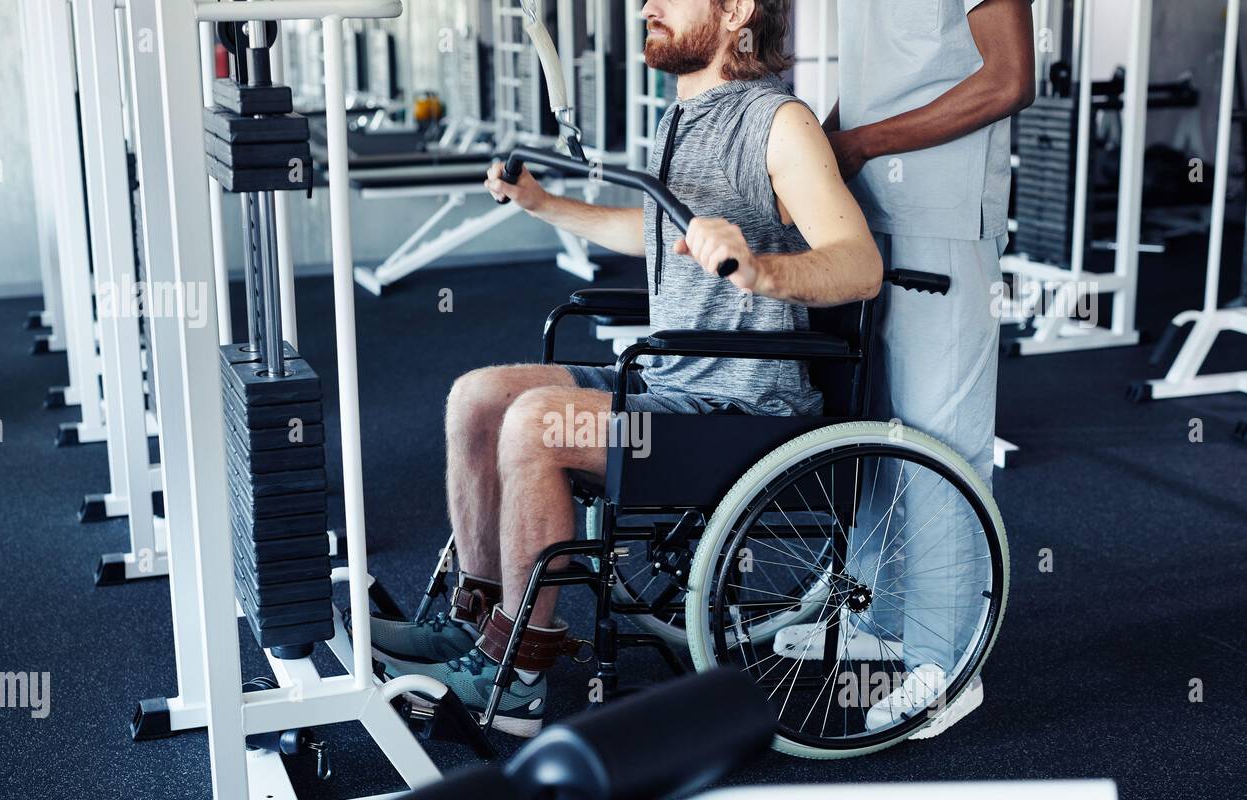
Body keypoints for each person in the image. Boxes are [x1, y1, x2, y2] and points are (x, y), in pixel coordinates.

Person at [364, 0, 881, 736]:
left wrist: (759, 271)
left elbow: (859, 265)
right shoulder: (681, 117)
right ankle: (473, 626)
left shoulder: (778, 123)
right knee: (476, 398)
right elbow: (645, 230)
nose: (646, 4)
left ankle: (516, 677)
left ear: (735, 10)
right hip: (673, 386)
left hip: (739, 412)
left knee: (536, 425)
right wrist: (544, 205)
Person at [825, 0, 1035, 736]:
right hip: (872, 209)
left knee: (938, 446)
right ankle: (879, 621)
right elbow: (879, 81)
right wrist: (820, 146)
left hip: (942, 214)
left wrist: (859, 143)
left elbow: (1009, 79)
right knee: (880, 436)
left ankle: (943, 666)